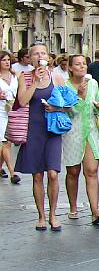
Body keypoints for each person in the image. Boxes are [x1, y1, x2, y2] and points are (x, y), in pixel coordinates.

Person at [15, 42, 66, 231]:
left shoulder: (57, 78)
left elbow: (69, 104)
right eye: (35, 53)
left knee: (53, 174)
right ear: (30, 58)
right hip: (33, 130)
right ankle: (41, 216)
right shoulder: (25, 77)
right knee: (37, 175)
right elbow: (22, 101)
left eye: (43, 53)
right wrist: (35, 82)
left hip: (52, 130)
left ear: (48, 57)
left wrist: (56, 108)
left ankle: (53, 214)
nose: (39, 56)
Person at [62, 54, 99, 225]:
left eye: (83, 64)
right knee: (73, 171)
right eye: (77, 64)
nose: (81, 67)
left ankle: (95, 211)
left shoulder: (93, 83)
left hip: (91, 131)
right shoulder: (65, 86)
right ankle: (73, 206)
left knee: (91, 171)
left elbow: (97, 107)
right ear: (71, 68)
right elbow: (69, 111)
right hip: (72, 132)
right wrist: (80, 96)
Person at [0, 50, 21, 184]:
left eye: (8, 60)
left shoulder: (15, 76)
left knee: (7, 144)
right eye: (4, 60)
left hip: (13, 111)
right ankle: (13, 172)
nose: (7, 62)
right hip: (1, 112)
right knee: (6, 142)